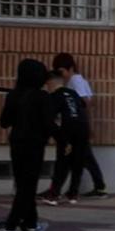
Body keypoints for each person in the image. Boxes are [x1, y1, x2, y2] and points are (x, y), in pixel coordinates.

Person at [0, 59, 55, 231]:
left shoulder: (13, 95)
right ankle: (10, 228)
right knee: (27, 187)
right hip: (34, 145)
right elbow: (49, 125)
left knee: (24, 184)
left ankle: (31, 224)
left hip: (16, 144)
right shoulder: (42, 97)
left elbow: (4, 122)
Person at [44, 52, 106, 201]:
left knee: (77, 159)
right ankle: (74, 190)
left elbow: (84, 102)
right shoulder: (75, 81)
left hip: (76, 126)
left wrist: (85, 123)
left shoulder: (75, 81)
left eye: (62, 71)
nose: (61, 75)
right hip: (80, 125)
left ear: (70, 68)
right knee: (82, 158)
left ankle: (97, 187)